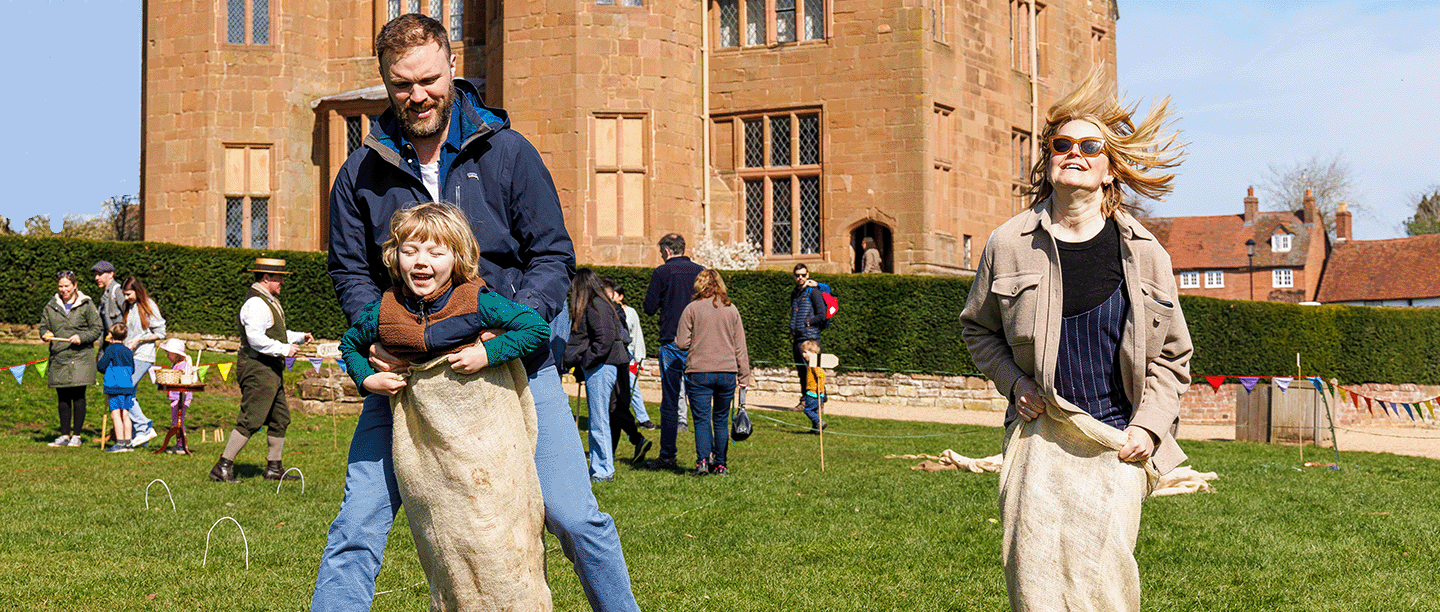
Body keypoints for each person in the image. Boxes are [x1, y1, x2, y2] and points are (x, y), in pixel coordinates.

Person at [314, 14, 641, 612]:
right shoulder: (360, 170)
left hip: (514, 365)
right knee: (356, 528)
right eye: (401, 85)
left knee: (574, 518)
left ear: (453, 67)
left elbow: (551, 255)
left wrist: (507, 328)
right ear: (385, 83)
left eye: (429, 79)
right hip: (409, 374)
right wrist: (382, 336)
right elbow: (350, 271)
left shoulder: (508, 152)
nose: (418, 96)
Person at [959, 72, 1191, 612]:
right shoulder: (1008, 243)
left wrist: (1150, 429)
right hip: (1039, 434)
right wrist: (1013, 382)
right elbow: (978, 327)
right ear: (1049, 161)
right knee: (1033, 582)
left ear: (1111, 170)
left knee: (1104, 583)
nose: (1075, 154)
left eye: (1091, 146)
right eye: (1063, 145)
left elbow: (1173, 355)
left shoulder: (1146, 252)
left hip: (1117, 440)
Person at [338, 202, 554, 608]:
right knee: (447, 533)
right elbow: (349, 344)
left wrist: (488, 355)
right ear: (394, 257)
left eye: (436, 253)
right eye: (410, 251)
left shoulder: (477, 300)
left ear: (457, 258)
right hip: (425, 441)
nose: (422, 262)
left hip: (483, 435)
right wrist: (367, 378)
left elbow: (535, 327)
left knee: (492, 527)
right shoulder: (383, 311)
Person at [209, 257, 313, 483]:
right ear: (266, 278)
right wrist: (285, 349)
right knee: (251, 419)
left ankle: (274, 469)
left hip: (269, 367)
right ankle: (222, 466)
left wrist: (298, 338)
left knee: (280, 418)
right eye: (279, 278)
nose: (282, 283)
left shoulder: (267, 300)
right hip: (257, 367)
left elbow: (273, 333)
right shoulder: (256, 303)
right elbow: (256, 339)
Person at [565, 270, 648, 481]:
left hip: (602, 366)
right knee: (600, 418)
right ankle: (601, 468)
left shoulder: (595, 306)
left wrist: (587, 360)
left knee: (599, 420)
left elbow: (605, 339)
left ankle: (602, 471)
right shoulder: (602, 304)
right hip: (605, 364)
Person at [674, 270, 751, 476]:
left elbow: (681, 342)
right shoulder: (731, 309)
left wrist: (696, 341)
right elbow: (740, 346)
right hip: (727, 371)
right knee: (720, 420)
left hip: (699, 370)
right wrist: (744, 376)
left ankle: (702, 462)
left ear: (699, 285)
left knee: (701, 419)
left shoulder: (691, 309)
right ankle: (721, 464)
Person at [641, 233, 703, 471]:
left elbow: (648, 307)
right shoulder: (700, 271)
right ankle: (704, 457)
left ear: (666, 251)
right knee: (699, 399)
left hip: (671, 341)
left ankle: (667, 455)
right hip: (698, 342)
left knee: (669, 400)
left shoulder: (662, 272)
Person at [41, 271, 102, 448]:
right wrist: (44, 334)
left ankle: (77, 435)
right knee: (63, 397)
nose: (63, 289)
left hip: (81, 357)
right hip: (59, 356)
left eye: (67, 286)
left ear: (75, 286)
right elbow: (44, 325)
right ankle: (64, 435)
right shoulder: (51, 305)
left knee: (78, 396)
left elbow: (96, 327)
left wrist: (81, 337)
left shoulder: (86, 304)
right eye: (61, 286)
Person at [120, 276, 163, 448]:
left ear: (137, 291)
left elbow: (160, 332)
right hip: (128, 356)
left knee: (123, 390)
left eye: (128, 294)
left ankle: (144, 427)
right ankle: (139, 436)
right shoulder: (128, 307)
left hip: (143, 356)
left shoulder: (149, 306)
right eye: (124, 294)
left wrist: (140, 339)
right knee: (130, 394)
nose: (126, 298)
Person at [607, 279, 656, 430]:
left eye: (613, 294)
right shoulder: (606, 309)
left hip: (628, 355)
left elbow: (637, 334)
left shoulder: (630, 312)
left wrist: (639, 358)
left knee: (631, 387)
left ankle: (643, 419)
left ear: (620, 296)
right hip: (611, 354)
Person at [789, 263, 827, 407]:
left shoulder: (813, 291)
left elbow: (821, 315)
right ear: (794, 276)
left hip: (810, 338)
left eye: (803, 275)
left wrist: (808, 322)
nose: (800, 278)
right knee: (801, 371)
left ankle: (818, 400)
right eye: (798, 275)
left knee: (813, 371)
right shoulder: (795, 293)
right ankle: (805, 400)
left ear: (808, 275)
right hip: (798, 337)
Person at [97, 323, 137, 453]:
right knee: (126, 413)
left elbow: (101, 366)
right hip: (127, 386)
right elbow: (133, 369)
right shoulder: (128, 351)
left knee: (115, 414)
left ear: (112, 334)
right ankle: (128, 443)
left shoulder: (111, 349)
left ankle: (120, 443)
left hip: (114, 386)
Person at [157, 338, 193, 454]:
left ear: (177, 355)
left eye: (169, 353)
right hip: (175, 396)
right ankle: (179, 444)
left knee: (179, 421)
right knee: (176, 421)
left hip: (181, 396)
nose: (167, 355)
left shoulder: (184, 366)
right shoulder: (175, 365)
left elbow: (186, 378)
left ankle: (181, 445)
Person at [798, 339, 827, 432]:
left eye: (805, 352)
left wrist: (820, 388)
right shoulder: (813, 363)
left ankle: (819, 422)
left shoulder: (814, 364)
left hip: (814, 393)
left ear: (813, 352)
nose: (803, 355)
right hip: (815, 392)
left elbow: (821, 376)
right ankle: (815, 429)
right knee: (813, 411)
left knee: (808, 410)